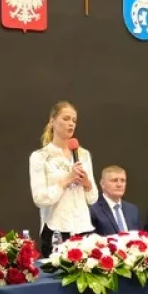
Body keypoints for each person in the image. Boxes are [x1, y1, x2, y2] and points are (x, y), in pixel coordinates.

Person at [29, 101, 98, 255]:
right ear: (52, 121)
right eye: (66, 119)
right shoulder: (40, 156)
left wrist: (87, 183)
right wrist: (66, 180)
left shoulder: (83, 155)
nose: (71, 124)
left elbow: (93, 198)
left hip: (82, 228)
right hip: (56, 230)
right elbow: (40, 198)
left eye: (74, 120)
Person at [90, 165, 140, 235]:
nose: (119, 185)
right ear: (102, 184)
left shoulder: (132, 210)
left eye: (123, 180)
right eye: (114, 180)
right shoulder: (93, 210)